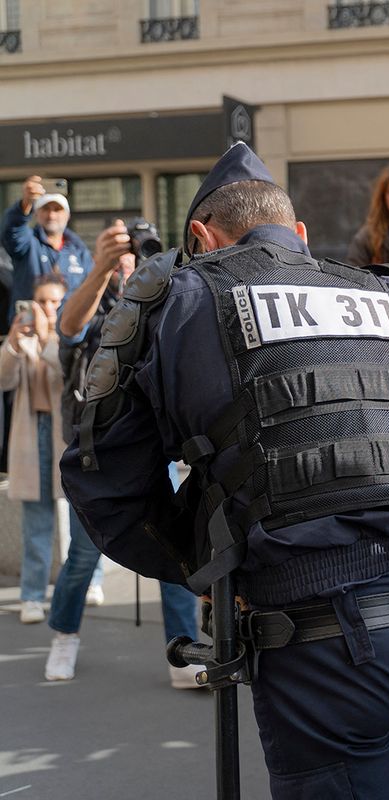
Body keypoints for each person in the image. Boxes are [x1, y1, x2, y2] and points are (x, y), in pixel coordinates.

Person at [60, 142, 389, 798]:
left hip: (320, 638)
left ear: (200, 236)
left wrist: (200, 559)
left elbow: (102, 475)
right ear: (300, 234)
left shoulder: (183, 301)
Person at [44, 219, 202, 687]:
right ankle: (64, 637)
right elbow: (68, 329)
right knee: (83, 558)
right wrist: (100, 267)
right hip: (99, 455)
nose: (129, 259)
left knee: (176, 552)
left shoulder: (161, 304)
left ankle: (182, 653)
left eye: (136, 252)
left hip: (158, 448)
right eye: (122, 252)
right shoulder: (94, 301)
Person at [2, 273, 67, 624]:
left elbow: (70, 375)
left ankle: (89, 582)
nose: (48, 308)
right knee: (36, 520)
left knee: (79, 517)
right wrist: (13, 342)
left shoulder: (71, 336)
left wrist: (46, 339)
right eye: (42, 301)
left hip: (65, 435)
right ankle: (31, 596)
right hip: (33, 431)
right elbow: (3, 379)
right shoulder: (24, 339)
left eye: (55, 301)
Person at [2, 179, 94, 321]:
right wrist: (25, 204)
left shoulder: (80, 252)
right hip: (29, 330)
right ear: (37, 214)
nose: (51, 215)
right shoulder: (27, 243)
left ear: (67, 215)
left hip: (68, 333)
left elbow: (90, 292)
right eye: (45, 209)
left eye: (57, 209)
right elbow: (12, 230)